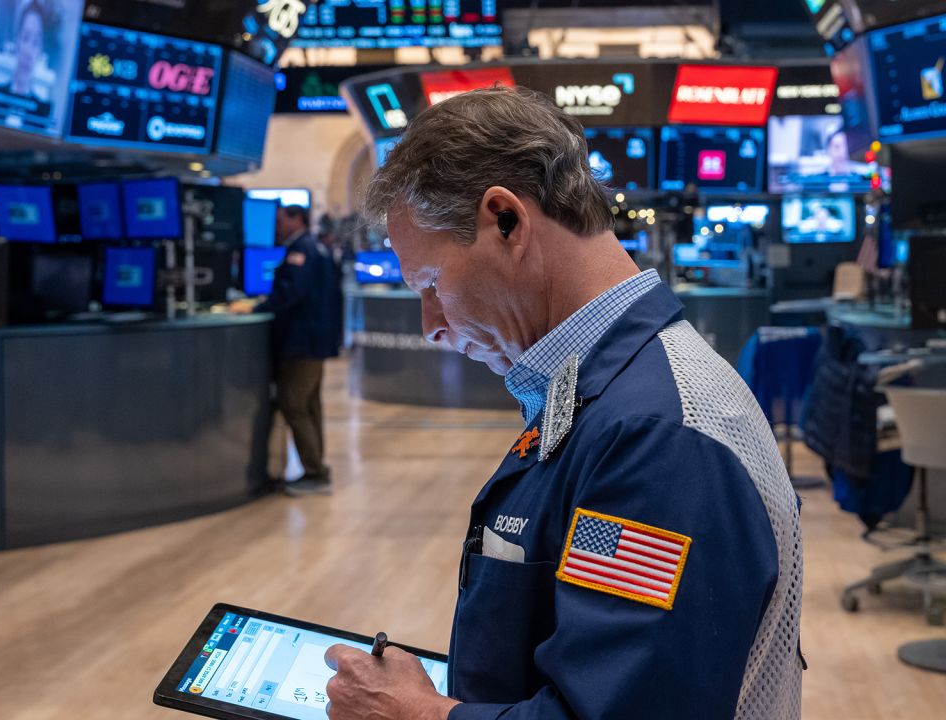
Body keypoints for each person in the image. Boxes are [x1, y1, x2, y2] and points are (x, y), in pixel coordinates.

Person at [321, 87, 803, 719]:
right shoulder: (603, 394)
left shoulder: (657, 436)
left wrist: (416, 715)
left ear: (506, 221)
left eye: (433, 284)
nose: (430, 326)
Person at [245, 205, 344, 496]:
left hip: (300, 342)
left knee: (294, 404)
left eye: (281, 220)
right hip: (316, 340)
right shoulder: (318, 247)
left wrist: (257, 308)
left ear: (296, 218)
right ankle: (317, 469)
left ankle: (314, 472)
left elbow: (291, 292)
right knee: (310, 405)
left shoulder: (301, 250)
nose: (277, 227)